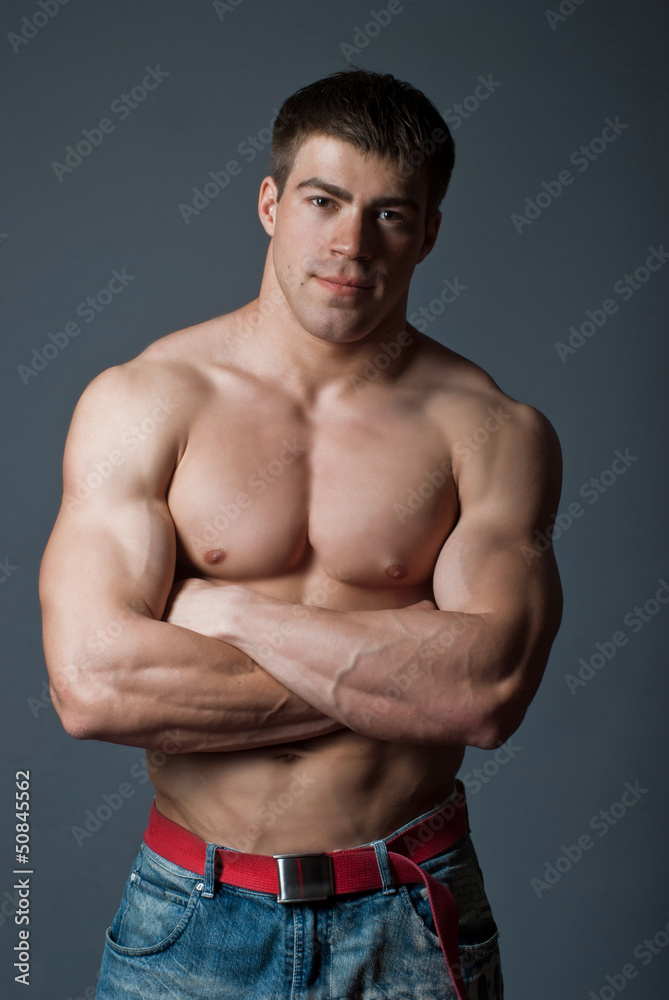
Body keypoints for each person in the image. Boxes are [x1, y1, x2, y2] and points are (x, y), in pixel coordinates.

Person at [40, 69, 562, 1000]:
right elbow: (96, 686)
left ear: (430, 232)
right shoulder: (144, 402)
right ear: (271, 203)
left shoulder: (490, 430)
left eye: (391, 215)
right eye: (324, 201)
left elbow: (486, 692)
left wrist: (226, 611)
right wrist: (403, 679)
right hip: (190, 910)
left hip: (406, 908)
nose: (352, 243)